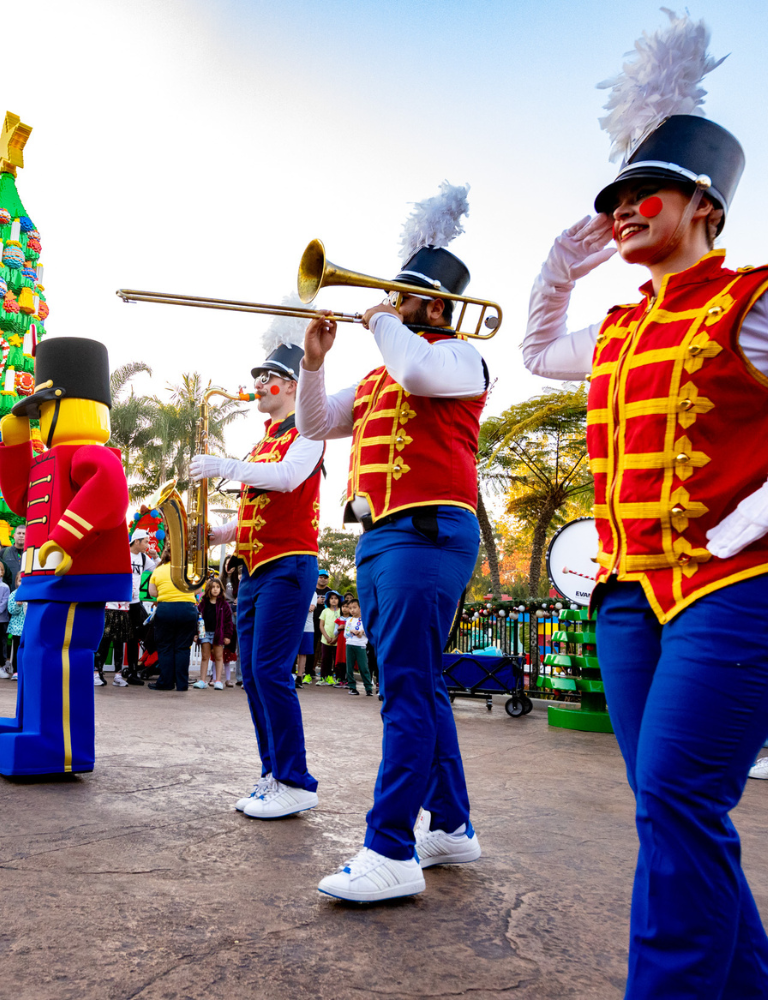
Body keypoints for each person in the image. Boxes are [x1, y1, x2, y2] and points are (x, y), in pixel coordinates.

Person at [521, 12, 768, 996]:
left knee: (675, 799)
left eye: (645, 192)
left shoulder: (753, 299)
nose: (623, 208)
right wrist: (565, 253)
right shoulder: (622, 326)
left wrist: (756, 514)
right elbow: (538, 347)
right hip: (627, 597)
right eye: (612, 198)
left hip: (736, 587)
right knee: (674, 808)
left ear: (705, 204)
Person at [298, 180, 488, 901]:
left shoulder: (457, 357)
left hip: (430, 531)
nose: (383, 300)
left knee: (405, 688)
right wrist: (314, 362)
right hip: (381, 538)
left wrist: (381, 320)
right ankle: (451, 828)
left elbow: (415, 365)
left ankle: (391, 848)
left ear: (433, 305)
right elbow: (315, 425)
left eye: (397, 294)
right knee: (419, 683)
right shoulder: (380, 373)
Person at [191, 323, 324, 820]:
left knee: (270, 671)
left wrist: (224, 466)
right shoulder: (261, 442)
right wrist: (217, 534)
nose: (259, 383)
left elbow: (288, 479)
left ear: (292, 385)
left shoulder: (308, 430)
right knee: (253, 673)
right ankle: (274, 773)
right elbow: (254, 511)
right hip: (253, 567)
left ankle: (296, 779)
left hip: (289, 564)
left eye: (269, 376)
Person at [0, 337, 132, 776]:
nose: (38, 421)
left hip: (77, 574)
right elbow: (18, 499)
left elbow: (109, 493)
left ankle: (59, 745)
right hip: (45, 580)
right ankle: (32, 725)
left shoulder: (93, 452)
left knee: (60, 652)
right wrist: (12, 445)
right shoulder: (49, 459)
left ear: (72, 407)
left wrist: (66, 541)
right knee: (36, 650)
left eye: (43, 411)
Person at [146, 541, 198, 692]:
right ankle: (182, 684)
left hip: (166, 609)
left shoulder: (159, 570)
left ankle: (166, 682)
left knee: (165, 647)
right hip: (187, 609)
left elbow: (153, 593)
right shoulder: (190, 569)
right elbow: (198, 589)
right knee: (183, 648)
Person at [194, 576, 235, 690]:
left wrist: (227, 635)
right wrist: (196, 633)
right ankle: (202, 680)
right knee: (205, 657)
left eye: (217, 587)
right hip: (204, 633)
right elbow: (197, 619)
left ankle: (218, 681)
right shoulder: (203, 604)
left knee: (218, 657)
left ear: (221, 589)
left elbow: (228, 622)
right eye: (213, 587)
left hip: (218, 634)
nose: (215, 589)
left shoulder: (224, 605)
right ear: (208, 589)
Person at [127, 529, 158, 676]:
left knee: (134, 636)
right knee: (115, 636)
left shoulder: (144, 558)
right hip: (118, 602)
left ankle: (133, 671)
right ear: (137, 541)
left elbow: (157, 570)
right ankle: (107, 672)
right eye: (146, 541)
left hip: (134, 602)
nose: (148, 544)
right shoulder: (124, 554)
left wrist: (156, 557)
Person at [343, 598, 373, 697]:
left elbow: (368, 632)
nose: (352, 610)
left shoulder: (365, 620)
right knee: (349, 667)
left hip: (361, 646)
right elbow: (345, 635)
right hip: (350, 645)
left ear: (360, 608)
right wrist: (351, 632)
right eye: (350, 608)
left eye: (354, 607)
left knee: (363, 667)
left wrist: (362, 632)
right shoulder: (349, 620)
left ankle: (368, 688)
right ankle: (352, 687)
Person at [317, 591, 342, 686]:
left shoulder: (341, 611)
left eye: (336, 598)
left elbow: (342, 625)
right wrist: (327, 637)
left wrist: (335, 638)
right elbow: (321, 625)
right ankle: (323, 677)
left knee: (337, 659)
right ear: (328, 600)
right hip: (325, 640)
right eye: (331, 598)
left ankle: (337, 678)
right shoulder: (325, 611)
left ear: (339, 600)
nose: (334, 600)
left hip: (337, 640)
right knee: (325, 659)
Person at [295, 588, 317, 688]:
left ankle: (299, 677)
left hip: (307, 628)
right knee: (291, 652)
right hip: (293, 626)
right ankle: (288, 675)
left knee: (303, 653)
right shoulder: (294, 590)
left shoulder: (313, 593)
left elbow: (310, 608)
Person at [7, 573, 25, 681]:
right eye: (20, 580)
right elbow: (11, 610)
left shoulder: (32, 594)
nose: (22, 583)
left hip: (29, 628)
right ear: (16, 582)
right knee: (17, 650)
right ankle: (16, 670)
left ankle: (26, 671)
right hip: (17, 628)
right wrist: (18, 605)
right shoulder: (14, 594)